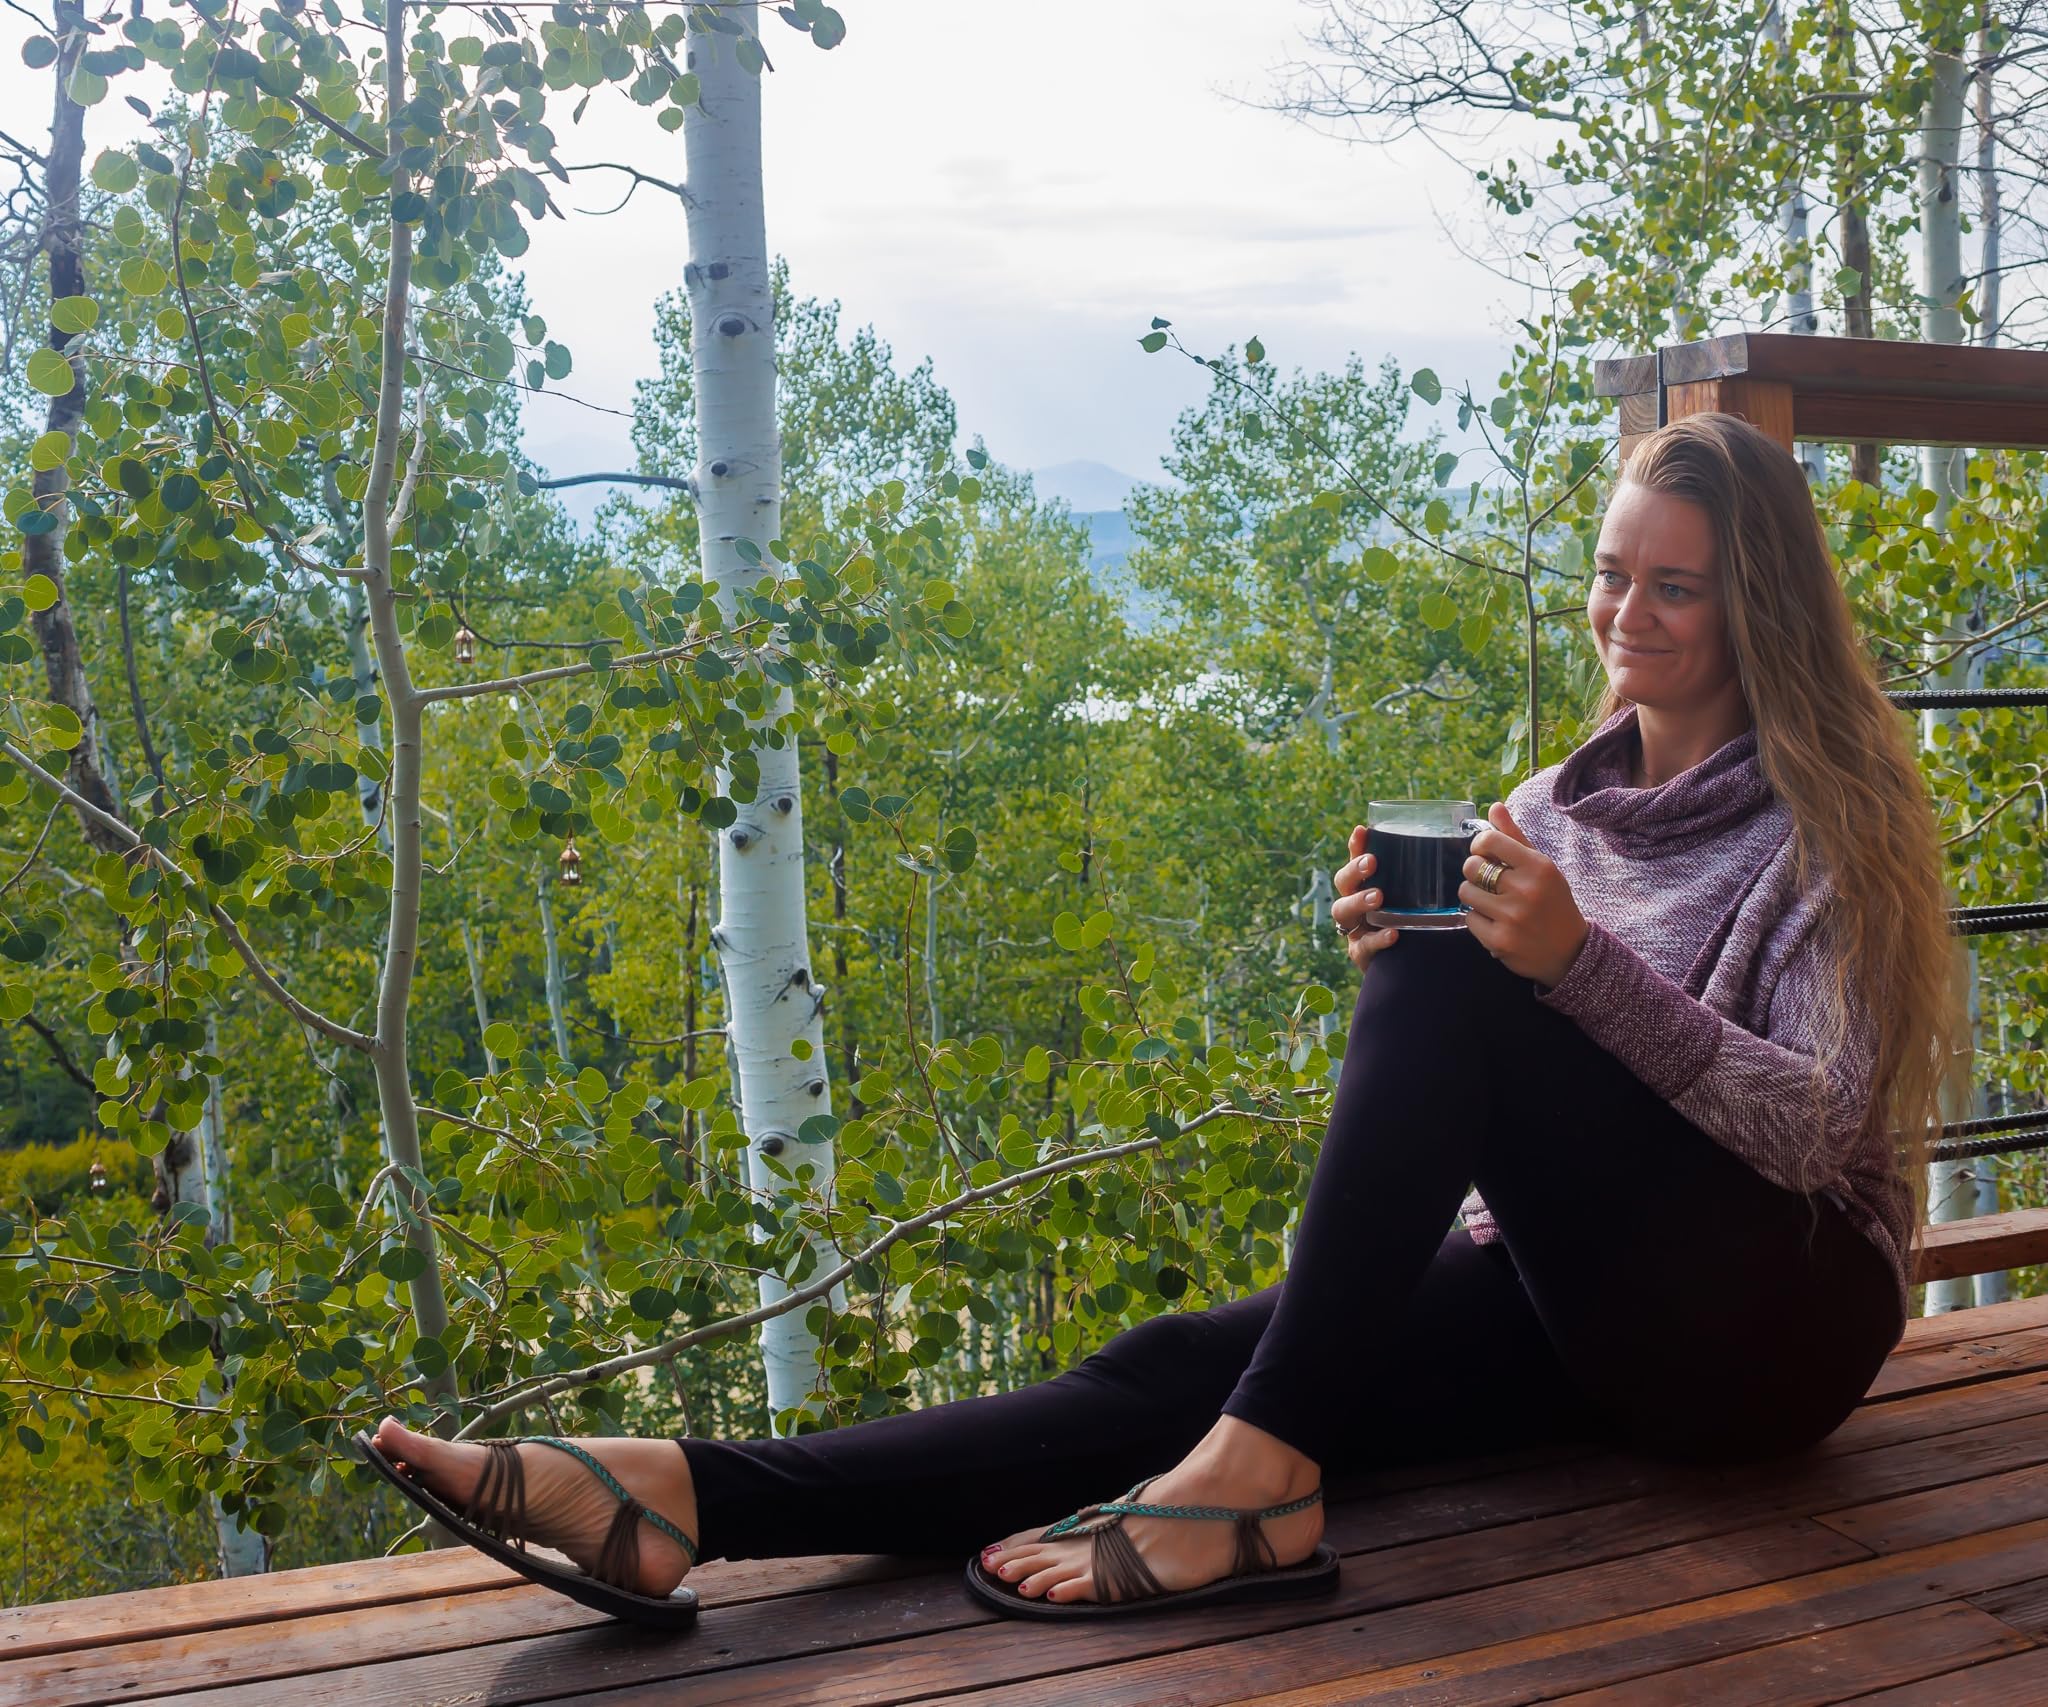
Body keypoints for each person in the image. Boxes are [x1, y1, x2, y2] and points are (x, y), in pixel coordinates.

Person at [362, 411, 1959, 1621]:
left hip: (1778, 1331)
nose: (1629, 615)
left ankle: (1261, 1488)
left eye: (1677, 588)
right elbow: (1540, 1113)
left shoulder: (1831, 820)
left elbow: (1824, 1131)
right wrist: (1422, 993)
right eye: (1613, 574)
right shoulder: (1557, 805)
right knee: (1192, 1371)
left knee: (1449, 996)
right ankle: (684, 1501)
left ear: (1759, 607)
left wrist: (1540, 978)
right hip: (1584, 1307)